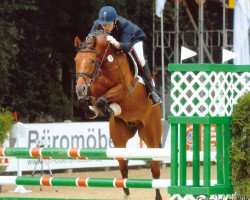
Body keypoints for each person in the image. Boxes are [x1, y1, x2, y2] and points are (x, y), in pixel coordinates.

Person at [90, 6, 162, 106]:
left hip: (133, 40)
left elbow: (126, 47)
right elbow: (90, 41)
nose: (105, 28)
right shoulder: (97, 24)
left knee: (140, 58)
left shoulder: (125, 25)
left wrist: (116, 43)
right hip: (115, 39)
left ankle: (152, 91)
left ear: (115, 21)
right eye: (103, 25)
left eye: (108, 25)